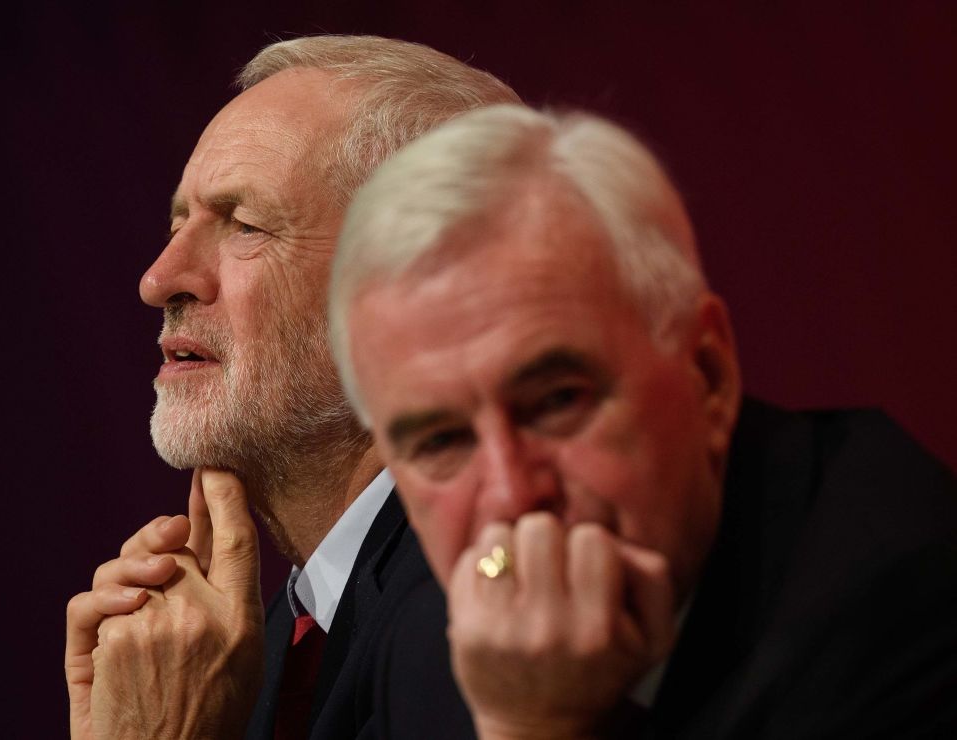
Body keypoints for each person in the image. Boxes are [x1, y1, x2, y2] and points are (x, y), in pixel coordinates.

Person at [328, 104, 957, 738]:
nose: (513, 495)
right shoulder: (428, 636)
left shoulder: (906, 608)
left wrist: (537, 726)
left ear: (709, 375)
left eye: (557, 402)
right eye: (440, 441)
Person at [64, 36, 519, 739]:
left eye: (243, 224)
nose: (159, 279)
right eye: (178, 223)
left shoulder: (491, 617)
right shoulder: (242, 656)